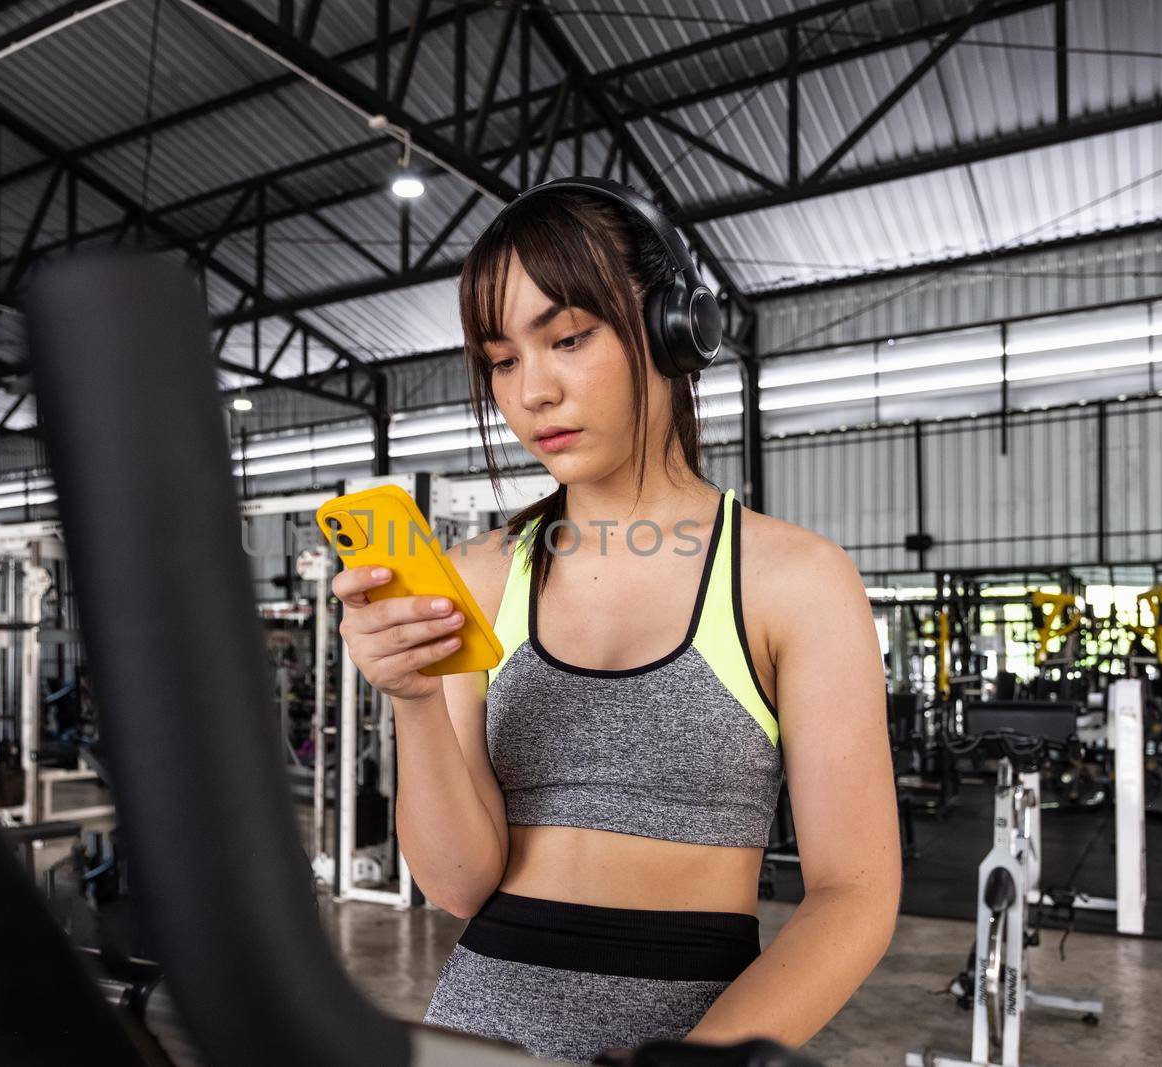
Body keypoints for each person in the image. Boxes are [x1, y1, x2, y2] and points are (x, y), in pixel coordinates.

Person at [330, 179, 899, 1064]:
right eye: (502, 360)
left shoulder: (795, 582)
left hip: (691, 1040)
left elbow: (853, 893)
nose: (533, 392)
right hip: (476, 1031)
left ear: (675, 328)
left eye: (567, 338)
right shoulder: (482, 576)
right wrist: (408, 696)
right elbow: (457, 882)